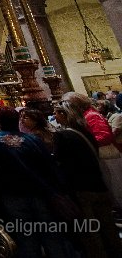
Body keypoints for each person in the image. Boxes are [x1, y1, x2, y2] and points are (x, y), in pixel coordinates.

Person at [0, 107, 79, 258]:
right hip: (40, 191)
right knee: (51, 235)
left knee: (25, 237)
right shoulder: (32, 139)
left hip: (12, 194)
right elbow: (49, 166)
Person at [53, 102, 122, 258]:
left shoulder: (61, 135)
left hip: (80, 188)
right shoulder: (85, 132)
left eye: (56, 113)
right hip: (98, 183)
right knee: (108, 225)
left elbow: (60, 162)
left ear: (64, 114)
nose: (54, 117)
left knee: (89, 230)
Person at [62, 91, 122, 210]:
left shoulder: (91, 115)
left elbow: (105, 136)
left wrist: (84, 143)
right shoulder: (86, 114)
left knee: (116, 187)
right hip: (102, 153)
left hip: (107, 154)